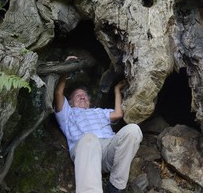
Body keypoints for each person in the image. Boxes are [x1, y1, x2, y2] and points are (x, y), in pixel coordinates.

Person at [54, 58, 142, 193]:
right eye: (77, 96)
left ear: (89, 101)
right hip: (86, 151)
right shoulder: (68, 114)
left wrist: (117, 90)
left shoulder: (99, 112)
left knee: (133, 130)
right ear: (70, 102)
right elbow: (58, 93)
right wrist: (66, 68)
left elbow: (118, 114)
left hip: (108, 150)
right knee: (90, 138)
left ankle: (116, 187)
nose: (82, 97)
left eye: (84, 95)